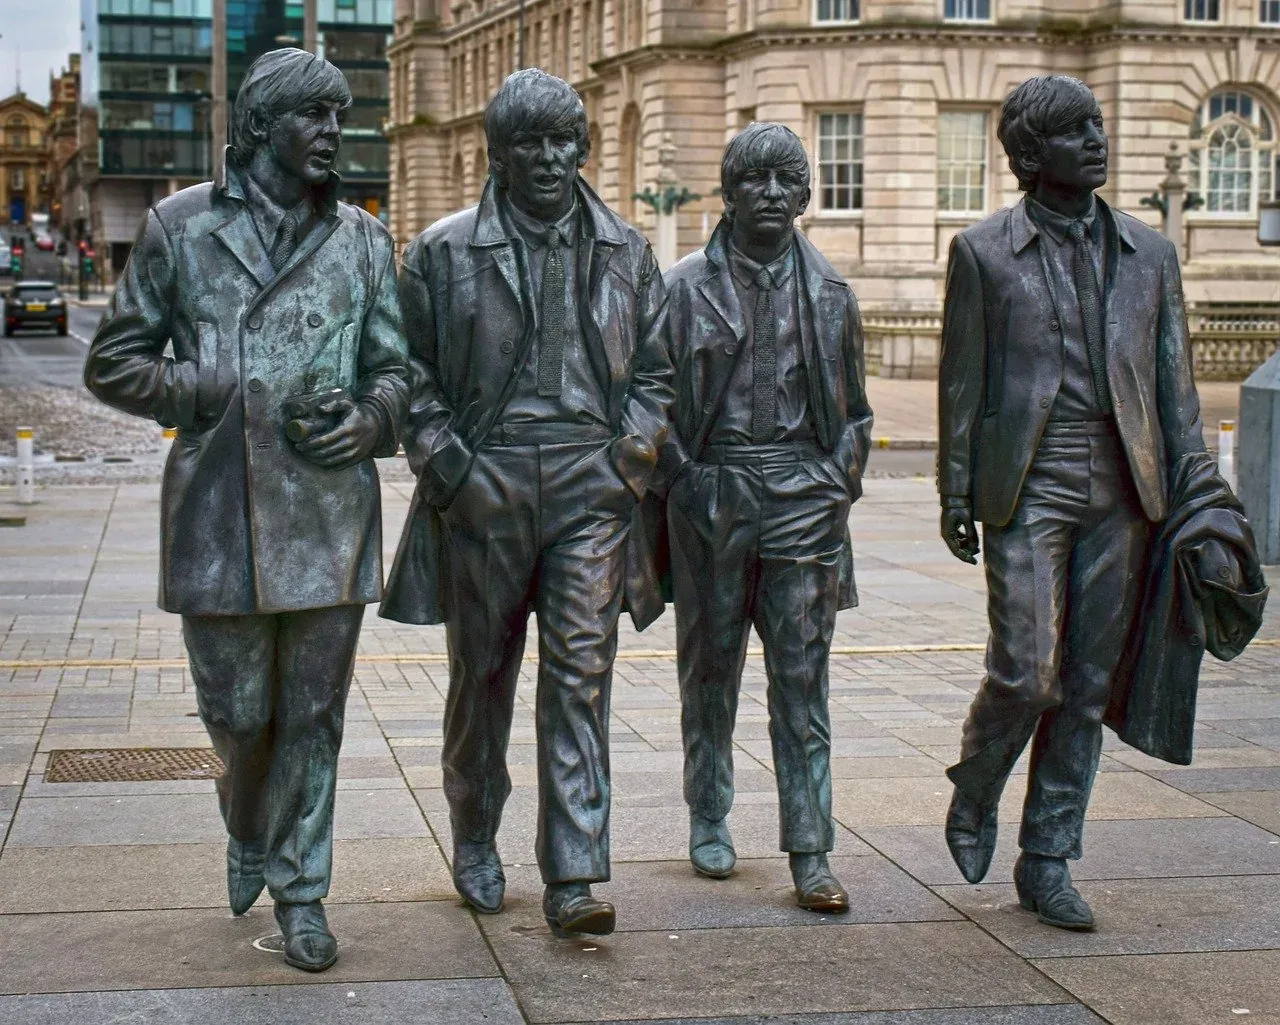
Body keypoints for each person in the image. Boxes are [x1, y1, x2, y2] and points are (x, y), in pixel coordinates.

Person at [84, 48, 409, 971]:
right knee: (237, 712)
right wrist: (197, 385)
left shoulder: (360, 239)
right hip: (219, 515)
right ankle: (250, 822)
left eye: (340, 119)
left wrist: (368, 418)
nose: (333, 135)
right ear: (262, 127)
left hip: (328, 513)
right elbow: (116, 360)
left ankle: (303, 890)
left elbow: (397, 368)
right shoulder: (178, 228)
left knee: (314, 714)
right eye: (315, 117)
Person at [379, 68, 673, 938]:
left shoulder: (627, 247)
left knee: (582, 677)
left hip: (592, 484)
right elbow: (411, 377)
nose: (550, 159)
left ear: (582, 147)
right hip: (487, 482)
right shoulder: (440, 251)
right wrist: (452, 470)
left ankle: (575, 873)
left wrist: (630, 460)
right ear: (496, 153)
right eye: (530, 144)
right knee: (484, 678)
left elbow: (658, 374)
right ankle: (475, 832)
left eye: (563, 141)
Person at [937, 75, 1208, 931]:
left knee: (1087, 684)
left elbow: (1178, 393)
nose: (1097, 139)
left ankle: (1048, 858)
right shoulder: (983, 253)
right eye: (1073, 130)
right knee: (1027, 670)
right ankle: (978, 780)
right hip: (1029, 477)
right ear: (1028, 155)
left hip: (1126, 484)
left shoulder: (1151, 254)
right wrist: (954, 486)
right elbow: (962, 382)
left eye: (1096, 125)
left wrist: (1200, 495)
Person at [652, 122, 872, 912]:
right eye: (755, 180)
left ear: (806, 195)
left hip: (802, 500)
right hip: (714, 495)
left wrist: (830, 484)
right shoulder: (680, 289)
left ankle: (810, 847)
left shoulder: (833, 294)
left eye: (786, 180)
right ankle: (709, 812)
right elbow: (650, 403)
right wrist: (687, 479)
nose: (772, 194)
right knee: (709, 672)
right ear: (728, 191)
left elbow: (857, 418)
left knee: (802, 682)